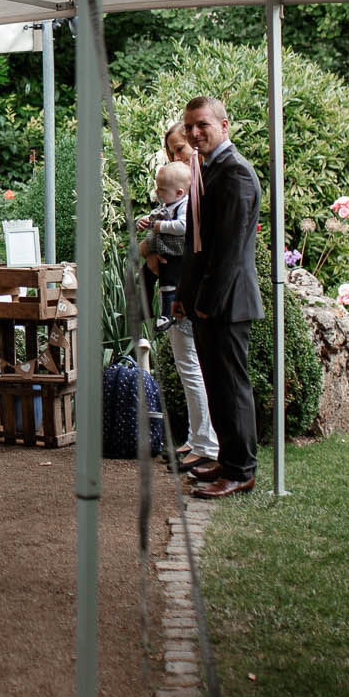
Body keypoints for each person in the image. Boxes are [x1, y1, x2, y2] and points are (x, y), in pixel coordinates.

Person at [177, 95, 265, 499]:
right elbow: (197, 245)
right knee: (217, 385)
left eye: (203, 125)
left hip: (227, 302)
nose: (195, 133)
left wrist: (205, 303)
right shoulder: (207, 169)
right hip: (209, 301)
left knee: (232, 386)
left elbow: (228, 253)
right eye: (190, 126)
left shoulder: (235, 175)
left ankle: (241, 470)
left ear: (224, 126)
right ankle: (228, 461)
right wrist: (184, 293)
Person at [138, 154, 217, 467]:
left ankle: (205, 442)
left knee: (191, 367)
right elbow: (146, 244)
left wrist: (154, 235)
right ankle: (196, 438)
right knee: (188, 368)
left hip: (183, 294)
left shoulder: (190, 208)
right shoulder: (173, 206)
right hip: (174, 287)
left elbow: (176, 238)